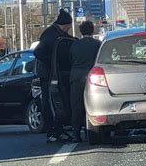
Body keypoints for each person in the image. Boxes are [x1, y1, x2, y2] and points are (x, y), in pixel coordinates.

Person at [33, 8, 73, 142]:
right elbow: (38, 52)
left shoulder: (57, 34)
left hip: (55, 74)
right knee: (50, 102)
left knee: (58, 102)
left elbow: (69, 41)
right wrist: (52, 62)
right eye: (69, 26)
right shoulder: (50, 35)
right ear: (66, 25)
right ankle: (51, 131)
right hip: (49, 75)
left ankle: (58, 130)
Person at [69, 20, 101, 142]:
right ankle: (90, 132)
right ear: (92, 30)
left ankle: (76, 133)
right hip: (92, 77)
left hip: (76, 77)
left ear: (81, 31)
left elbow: (70, 59)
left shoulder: (74, 45)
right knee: (92, 104)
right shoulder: (97, 44)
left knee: (76, 106)